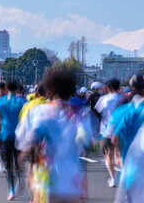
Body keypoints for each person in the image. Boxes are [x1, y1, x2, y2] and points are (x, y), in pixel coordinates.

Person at [15, 69, 92, 202]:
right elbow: (88, 142)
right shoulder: (80, 114)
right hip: (74, 180)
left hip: (48, 179)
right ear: (72, 91)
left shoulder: (41, 111)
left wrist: (23, 155)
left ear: (49, 91)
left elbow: (28, 139)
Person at [0, 81, 25, 200]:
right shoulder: (22, 101)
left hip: (5, 135)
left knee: (8, 165)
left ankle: (11, 189)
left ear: (6, 89)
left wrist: (1, 126)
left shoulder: (1, 101)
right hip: (19, 136)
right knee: (18, 163)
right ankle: (19, 180)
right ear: (17, 89)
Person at [95, 78, 123, 187]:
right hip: (120, 129)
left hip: (106, 130)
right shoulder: (123, 99)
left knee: (108, 156)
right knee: (119, 155)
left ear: (109, 88)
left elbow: (98, 112)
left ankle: (113, 179)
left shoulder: (103, 99)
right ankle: (124, 176)